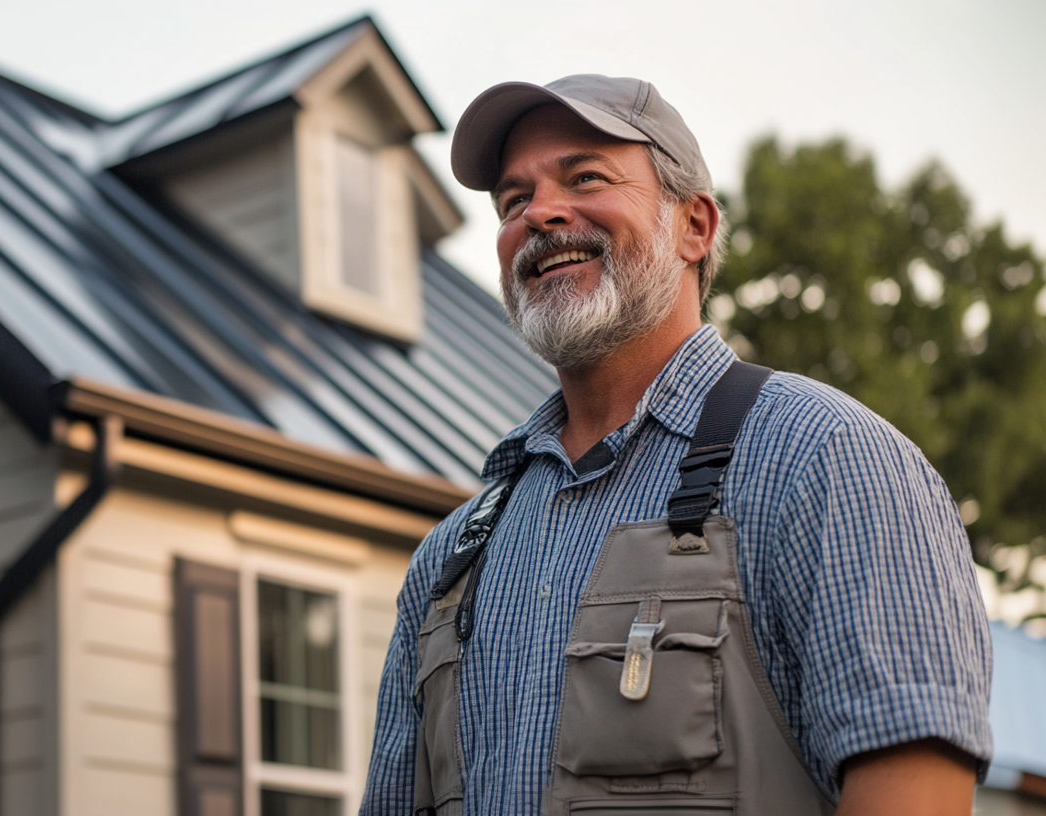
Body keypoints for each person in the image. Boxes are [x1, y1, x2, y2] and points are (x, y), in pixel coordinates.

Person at [360, 75, 992, 816]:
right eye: (511, 200)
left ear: (694, 226)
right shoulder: (451, 561)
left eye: (585, 176)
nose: (540, 213)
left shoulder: (825, 459)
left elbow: (916, 792)